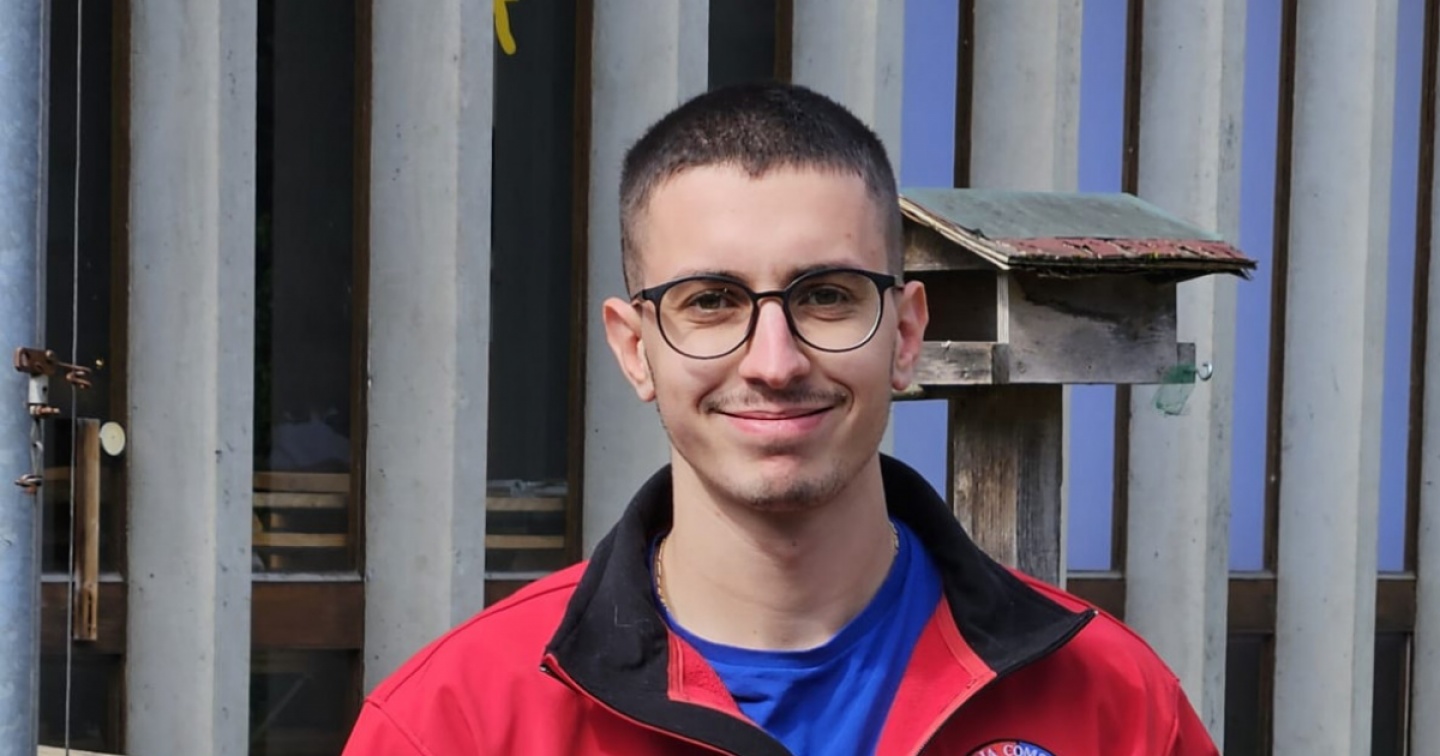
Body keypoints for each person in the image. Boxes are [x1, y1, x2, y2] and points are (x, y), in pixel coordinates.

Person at [342, 82, 1218, 756]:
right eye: (711, 300)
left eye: (827, 295)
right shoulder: (458, 723)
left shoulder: (1113, 704)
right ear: (636, 348)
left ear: (906, 334)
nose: (774, 361)